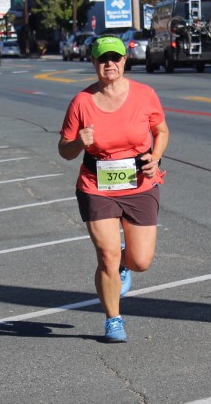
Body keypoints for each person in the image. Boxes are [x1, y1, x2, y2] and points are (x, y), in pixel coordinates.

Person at [58, 36, 169, 343]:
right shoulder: (81, 102)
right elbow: (64, 150)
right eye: (103, 59)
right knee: (106, 256)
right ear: (93, 62)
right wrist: (79, 142)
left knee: (140, 261)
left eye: (115, 58)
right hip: (96, 186)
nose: (110, 64)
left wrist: (155, 158)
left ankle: (124, 264)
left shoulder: (145, 95)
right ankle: (113, 319)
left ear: (124, 60)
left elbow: (161, 131)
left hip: (139, 184)